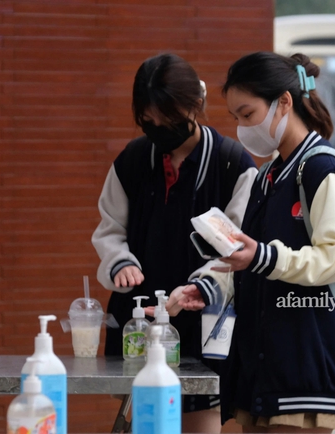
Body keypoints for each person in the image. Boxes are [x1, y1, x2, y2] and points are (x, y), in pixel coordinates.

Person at [180, 51, 335, 433]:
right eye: (235, 118)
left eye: (248, 114)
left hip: (309, 368)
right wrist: (207, 286)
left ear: (284, 102)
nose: (242, 127)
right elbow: (247, 258)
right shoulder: (268, 176)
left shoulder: (323, 170)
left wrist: (265, 257)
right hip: (262, 370)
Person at [91, 53, 257, 432]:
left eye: (169, 120)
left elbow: (236, 248)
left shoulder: (233, 164)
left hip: (204, 320)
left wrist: (199, 287)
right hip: (140, 317)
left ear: (194, 106)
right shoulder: (132, 160)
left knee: (200, 418)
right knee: (147, 419)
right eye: (149, 122)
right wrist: (120, 261)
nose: (159, 130)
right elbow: (109, 228)